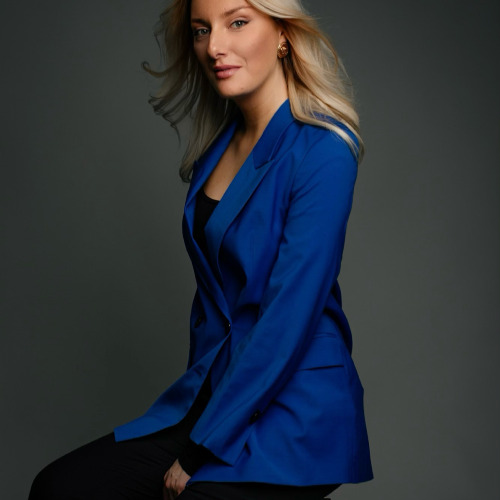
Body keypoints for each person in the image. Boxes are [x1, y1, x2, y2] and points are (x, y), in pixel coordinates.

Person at [29, 0, 373, 498]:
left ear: (283, 34)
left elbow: (288, 315)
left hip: (297, 414)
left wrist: (198, 450)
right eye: (200, 30)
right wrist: (201, 422)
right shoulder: (219, 147)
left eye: (237, 22)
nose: (214, 47)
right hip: (216, 397)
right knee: (59, 487)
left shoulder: (323, 149)